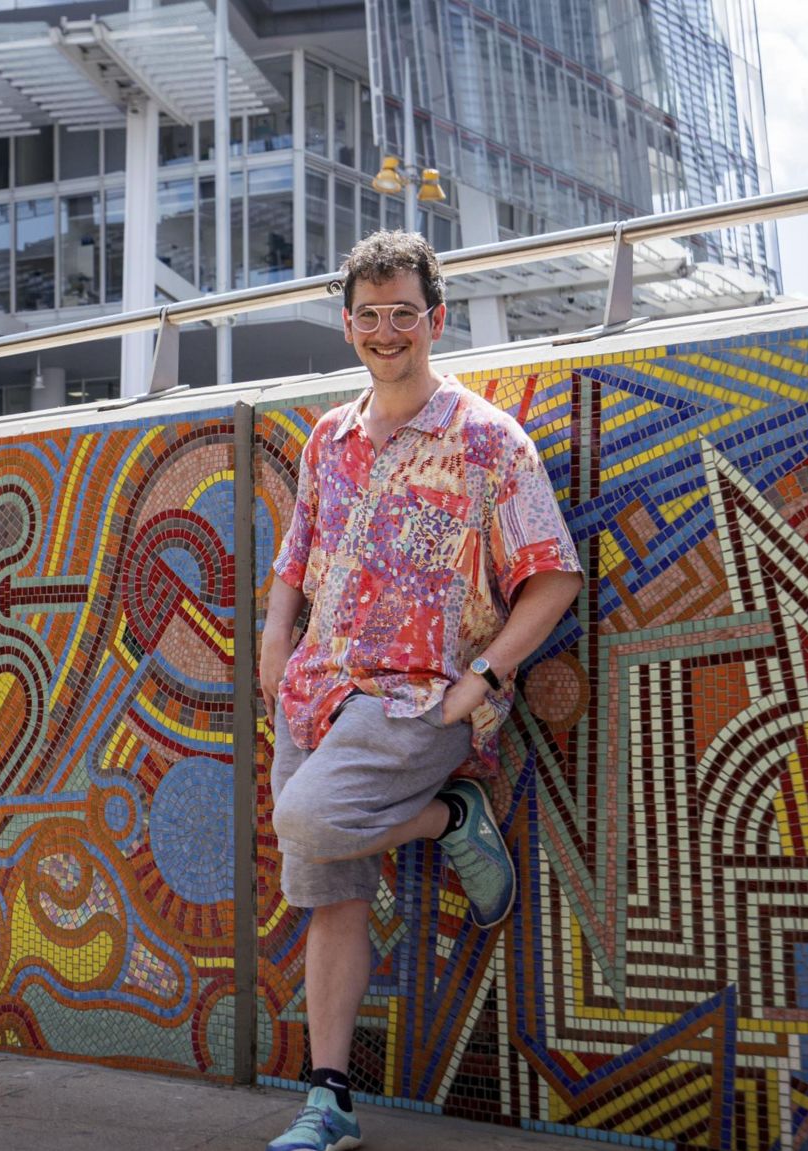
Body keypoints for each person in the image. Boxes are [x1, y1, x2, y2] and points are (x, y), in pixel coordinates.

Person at [261, 231, 583, 1151]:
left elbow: (552, 576)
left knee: (309, 822)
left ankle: (450, 818)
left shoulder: (487, 441)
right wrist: (276, 637)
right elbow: (295, 556)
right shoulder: (329, 437)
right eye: (369, 315)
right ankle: (329, 1100)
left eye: (404, 313)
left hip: (418, 700)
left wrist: (480, 679)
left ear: (435, 320)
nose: (386, 330)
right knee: (330, 890)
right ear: (349, 324)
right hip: (318, 693)